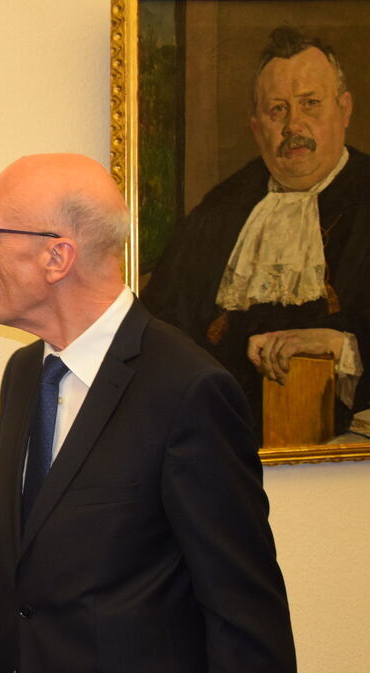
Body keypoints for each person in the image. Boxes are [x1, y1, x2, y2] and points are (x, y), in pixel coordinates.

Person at [0, 154, 296, 673]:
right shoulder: (26, 376)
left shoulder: (188, 389)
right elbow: (19, 550)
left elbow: (246, 619)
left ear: (57, 257)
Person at [143, 26, 370, 443]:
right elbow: (160, 331)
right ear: (255, 126)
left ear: (344, 109)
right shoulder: (219, 210)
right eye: (277, 110)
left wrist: (342, 346)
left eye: (311, 104)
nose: (293, 125)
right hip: (221, 440)